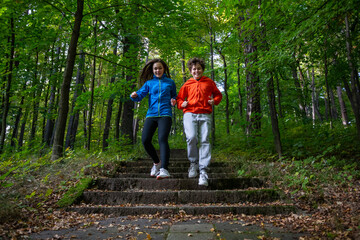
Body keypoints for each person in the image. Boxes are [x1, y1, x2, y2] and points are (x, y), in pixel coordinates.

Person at [177, 57, 222, 186]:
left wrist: (215, 101)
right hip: (190, 113)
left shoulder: (209, 82)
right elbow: (179, 99)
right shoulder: (187, 84)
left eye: (199, 69)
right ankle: (193, 163)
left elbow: (218, 95)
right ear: (191, 71)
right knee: (191, 138)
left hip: (205, 113)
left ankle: (203, 171)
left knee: (204, 140)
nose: (196, 71)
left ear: (202, 70)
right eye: (194, 69)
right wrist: (182, 104)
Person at [130, 59, 177, 180]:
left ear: (164, 69)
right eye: (155, 68)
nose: (158, 70)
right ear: (152, 70)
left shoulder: (170, 82)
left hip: (165, 114)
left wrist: (174, 100)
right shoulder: (149, 83)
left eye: (160, 68)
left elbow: (174, 96)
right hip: (151, 114)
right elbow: (139, 95)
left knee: (162, 139)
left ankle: (164, 169)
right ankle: (157, 163)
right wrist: (134, 96)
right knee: (145, 140)